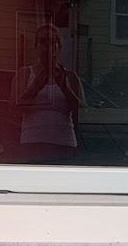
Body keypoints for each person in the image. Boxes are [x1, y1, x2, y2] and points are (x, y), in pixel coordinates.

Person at [12, 24, 83, 163]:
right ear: (36, 45)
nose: (48, 46)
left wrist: (64, 87)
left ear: (59, 46)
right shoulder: (24, 74)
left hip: (64, 143)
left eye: (53, 41)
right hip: (32, 142)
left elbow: (81, 111)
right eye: (43, 41)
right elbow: (13, 109)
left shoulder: (70, 76)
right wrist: (35, 87)